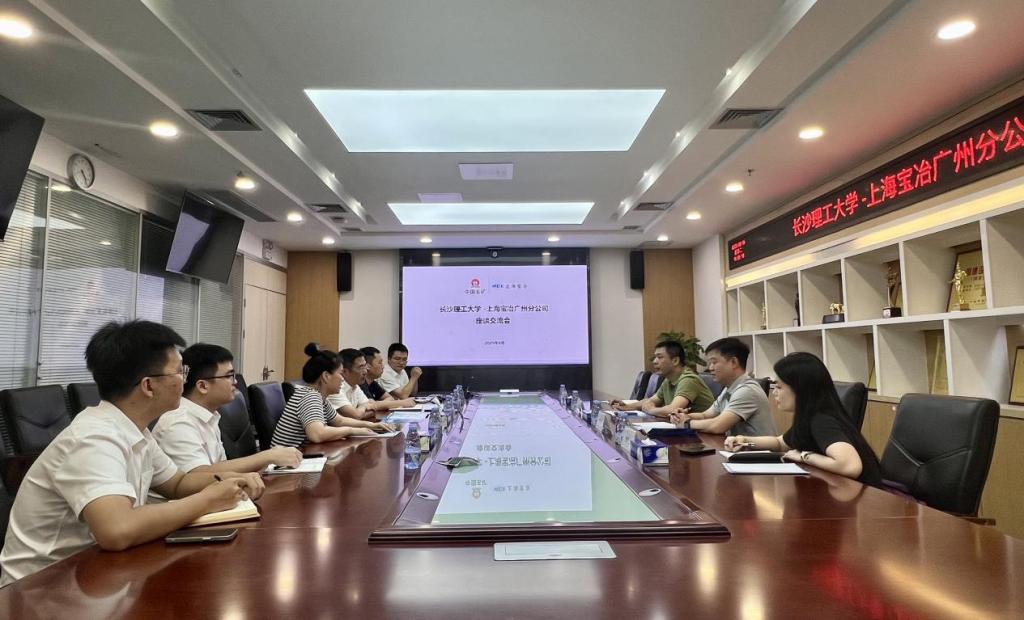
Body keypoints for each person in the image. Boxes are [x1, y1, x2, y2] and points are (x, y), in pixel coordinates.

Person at [0, 321, 263, 586]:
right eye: (179, 371)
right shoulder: (93, 437)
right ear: (148, 386)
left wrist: (229, 479)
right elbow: (117, 529)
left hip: (94, 576)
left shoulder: (135, 430)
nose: (185, 380)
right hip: (39, 589)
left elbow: (178, 483)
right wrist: (208, 499)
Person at [724, 352, 883, 486]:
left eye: (779, 387)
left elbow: (850, 466)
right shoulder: (809, 415)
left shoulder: (822, 420)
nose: (775, 392)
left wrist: (804, 456)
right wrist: (744, 440)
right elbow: (780, 443)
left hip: (864, 499)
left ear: (800, 389)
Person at [153, 343, 303, 473]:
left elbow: (219, 468)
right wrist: (268, 456)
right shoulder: (178, 423)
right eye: (229, 376)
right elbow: (199, 475)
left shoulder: (210, 416)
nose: (235, 382)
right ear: (203, 386)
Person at [270, 343, 395, 448]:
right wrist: (351, 430)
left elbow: (339, 421)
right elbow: (317, 434)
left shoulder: (318, 396)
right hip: (285, 463)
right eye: (340, 374)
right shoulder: (309, 396)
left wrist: (372, 426)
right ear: (326, 376)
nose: (342, 379)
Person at [670, 337, 777, 437]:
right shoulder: (729, 388)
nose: (710, 368)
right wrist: (684, 416)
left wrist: (687, 423)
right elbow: (705, 415)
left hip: (758, 450)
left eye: (714, 362)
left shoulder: (747, 390)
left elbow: (718, 426)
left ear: (733, 362)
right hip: (737, 448)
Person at [611, 341, 714, 418]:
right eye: (655, 357)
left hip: (702, 435)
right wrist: (627, 406)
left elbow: (672, 410)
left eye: (660, 357)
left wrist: (651, 410)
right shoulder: (669, 379)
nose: (655, 361)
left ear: (675, 360)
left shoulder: (688, 379)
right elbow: (651, 401)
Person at [328, 348, 415, 420]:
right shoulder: (336, 389)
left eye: (365, 366)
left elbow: (372, 408)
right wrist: (364, 407)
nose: (365, 371)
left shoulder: (355, 386)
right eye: (361, 367)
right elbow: (357, 415)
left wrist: (366, 408)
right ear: (345, 372)